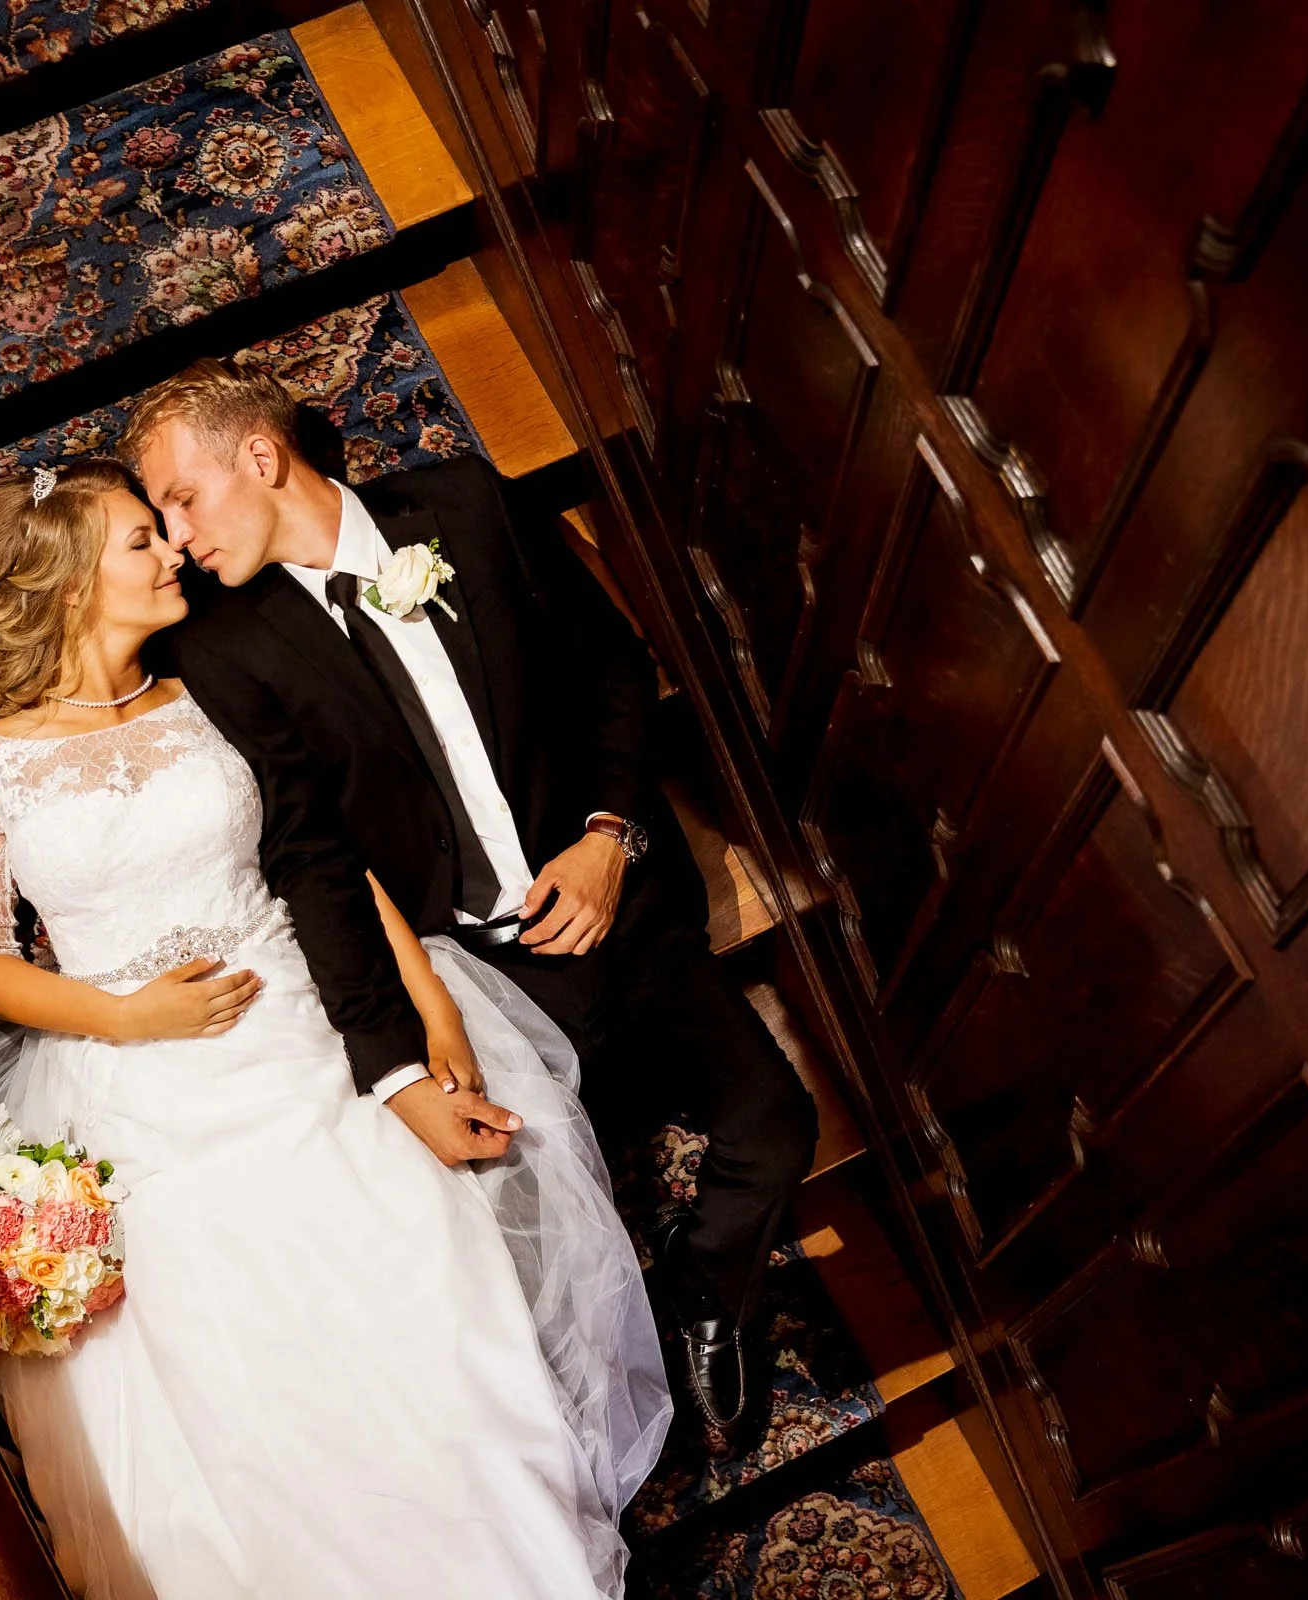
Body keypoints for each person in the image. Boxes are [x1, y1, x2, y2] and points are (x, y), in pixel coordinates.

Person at [0, 460, 668, 1599]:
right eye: (138, 540)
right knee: (244, 1383)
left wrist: (422, 997)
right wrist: (126, 1015)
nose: (172, 549)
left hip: (306, 1024)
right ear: (70, 583)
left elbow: (317, 853)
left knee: (421, 1313)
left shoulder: (206, 686)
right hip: (135, 1085)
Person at [125, 364, 819, 1438]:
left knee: (776, 1130)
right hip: (473, 975)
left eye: (183, 499)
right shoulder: (222, 645)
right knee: (521, 1251)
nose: (174, 539)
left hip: (613, 908)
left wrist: (609, 838)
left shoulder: (464, 505)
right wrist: (393, 1061)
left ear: (260, 459)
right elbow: (309, 855)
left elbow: (615, 674)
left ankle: (707, 1285)